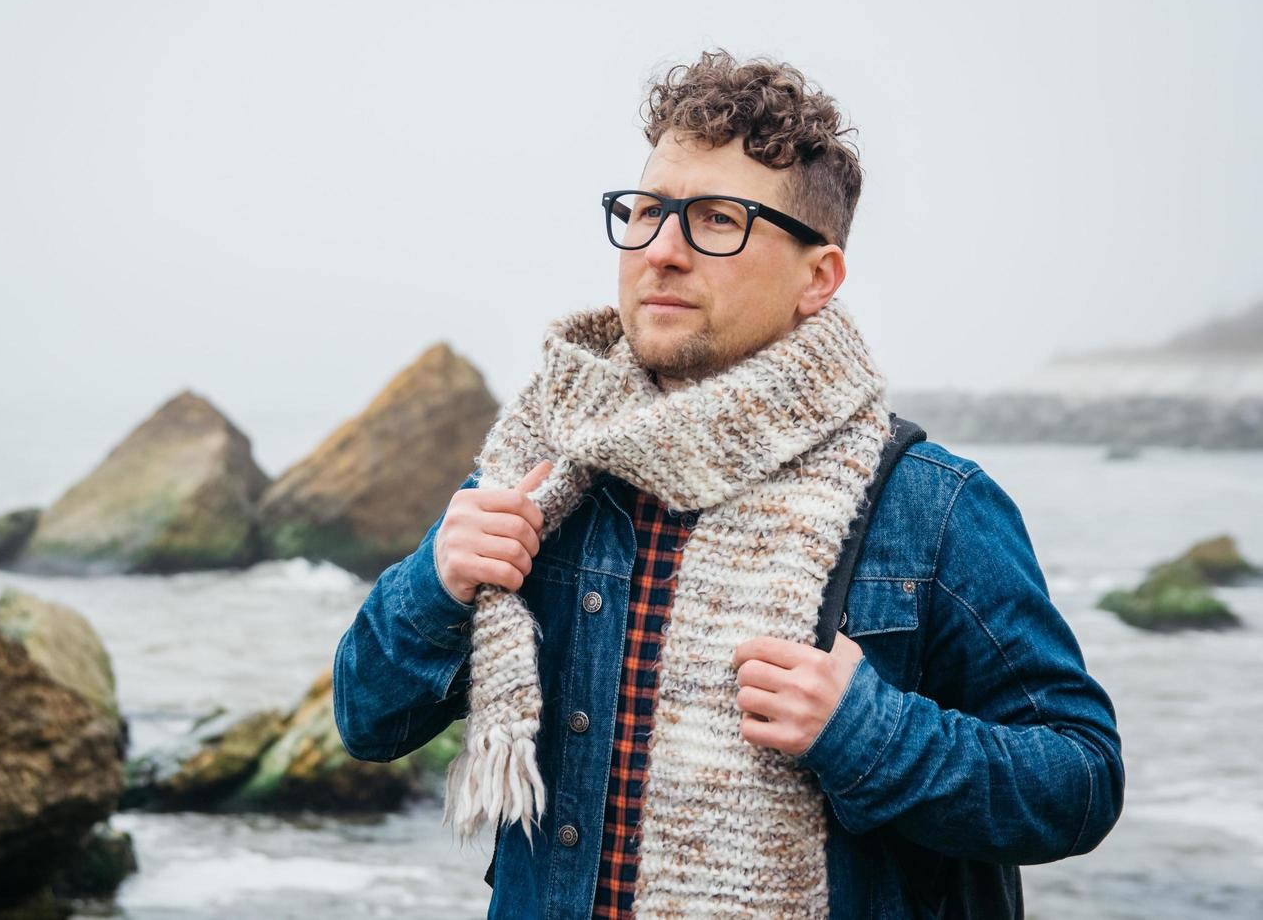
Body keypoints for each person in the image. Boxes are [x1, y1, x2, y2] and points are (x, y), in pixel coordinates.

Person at [332, 48, 1123, 920]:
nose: (662, 251)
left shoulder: (929, 507)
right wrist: (435, 587)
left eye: (716, 220)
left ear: (817, 277)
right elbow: (368, 719)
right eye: (644, 213)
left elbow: (1080, 781)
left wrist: (867, 731)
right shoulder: (543, 466)